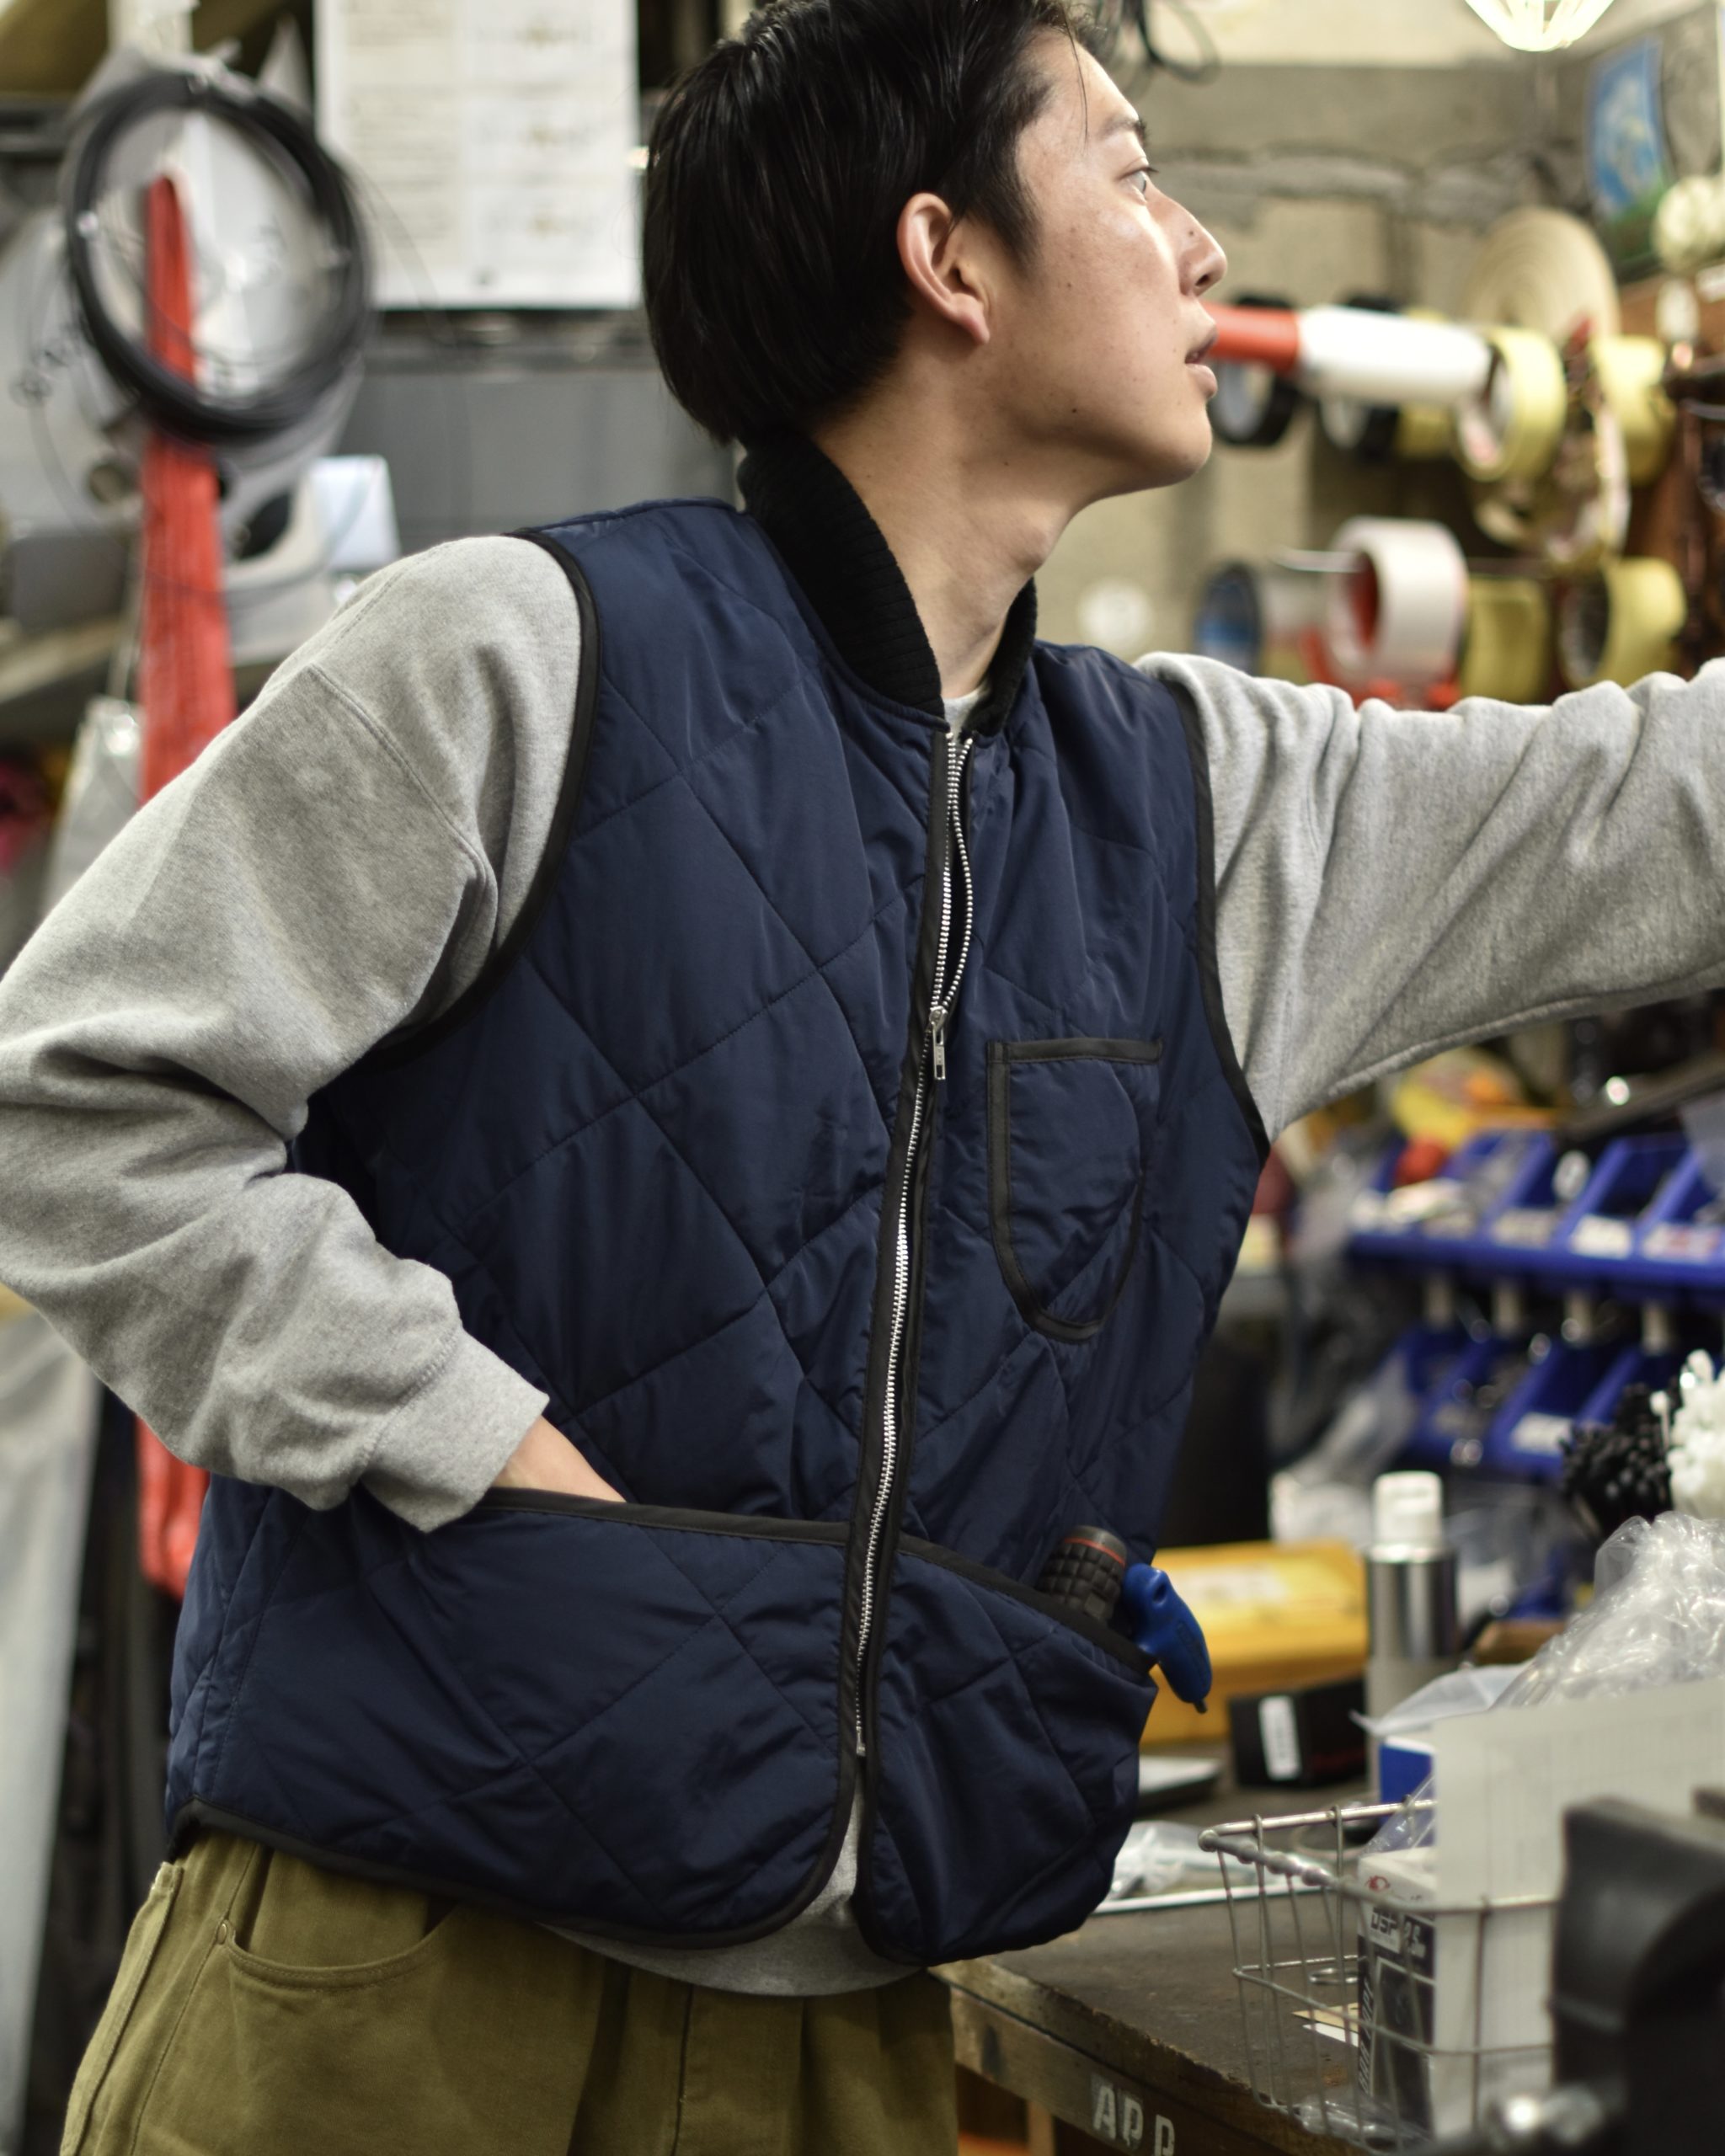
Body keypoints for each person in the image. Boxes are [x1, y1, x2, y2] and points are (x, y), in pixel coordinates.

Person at [5, 2, 1725, 2150]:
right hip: (400, 1982)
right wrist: (461, 1429)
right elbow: (75, 1103)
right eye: (1130, 170)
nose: (1201, 247)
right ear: (949, 255)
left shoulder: (1211, 809)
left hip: (865, 2025)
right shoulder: (518, 656)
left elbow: (1660, 807)